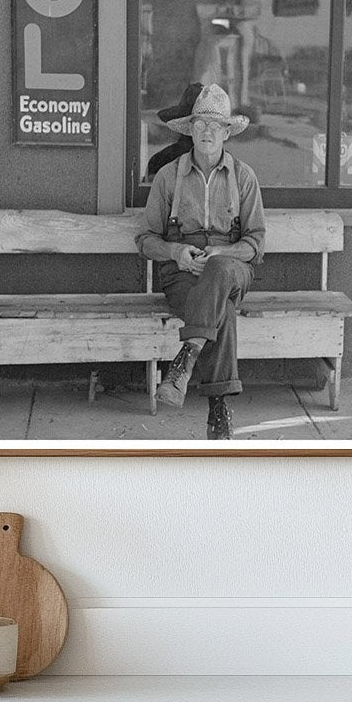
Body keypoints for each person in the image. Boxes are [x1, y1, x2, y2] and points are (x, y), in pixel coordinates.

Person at [136, 84, 266, 440]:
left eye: (215, 124)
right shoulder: (168, 177)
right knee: (220, 309)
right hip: (182, 275)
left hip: (233, 267)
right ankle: (219, 410)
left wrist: (223, 253)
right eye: (200, 123)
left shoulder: (243, 177)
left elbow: (256, 242)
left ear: (227, 132)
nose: (207, 131)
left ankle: (187, 357)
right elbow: (146, 239)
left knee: (221, 271)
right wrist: (176, 253)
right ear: (189, 128)